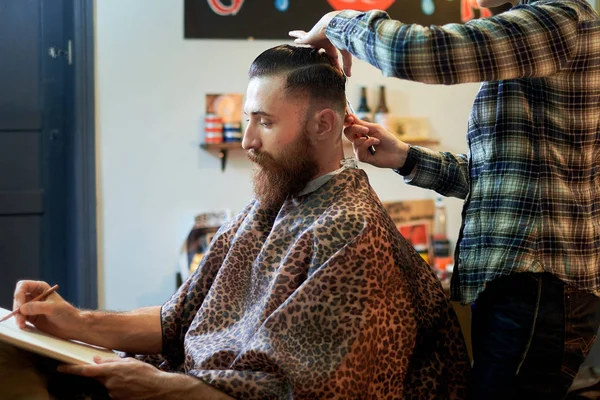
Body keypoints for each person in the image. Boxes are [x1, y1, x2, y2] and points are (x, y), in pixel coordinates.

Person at [0, 45, 469, 400]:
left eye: (264, 122)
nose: (247, 141)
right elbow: (178, 321)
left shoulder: (350, 232)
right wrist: (73, 320)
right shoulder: (268, 208)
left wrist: (163, 388)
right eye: (247, 119)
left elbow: (306, 393)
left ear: (323, 125)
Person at [290, 1, 600, 398]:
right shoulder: (546, 34)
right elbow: (496, 180)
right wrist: (405, 157)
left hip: (538, 289)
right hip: (524, 288)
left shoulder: (560, 21)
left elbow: (415, 51)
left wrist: (337, 22)